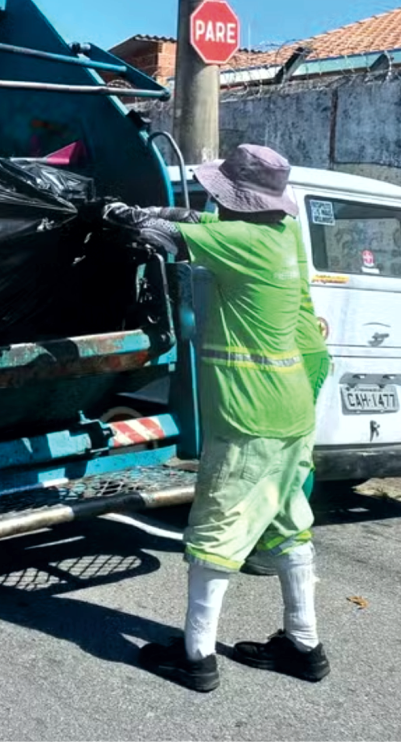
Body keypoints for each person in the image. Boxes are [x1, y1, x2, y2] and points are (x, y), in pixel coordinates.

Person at [101, 143, 330, 693]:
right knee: (286, 521)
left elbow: (159, 236)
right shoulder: (280, 235)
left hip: (250, 413)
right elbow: (195, 220)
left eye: (221, 193)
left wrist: (111, 211)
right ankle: (304, 645)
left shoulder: (240, 242)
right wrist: (163, 210)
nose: (214, 202)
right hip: (292, 408)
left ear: (238, 199)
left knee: (215, 530)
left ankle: (196, 656)